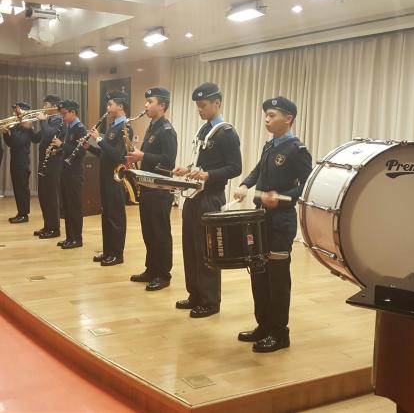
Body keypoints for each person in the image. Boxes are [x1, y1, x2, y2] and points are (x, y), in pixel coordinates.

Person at [234, 96, 312, 353]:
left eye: (272, 115)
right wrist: (246, 184)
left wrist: (282, 198)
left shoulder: (297, 150)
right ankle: (264, 325)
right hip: (261, 218)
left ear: (288, 118)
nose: (266, 120)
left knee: (278, 278)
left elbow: (308, 183)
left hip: (281, 221)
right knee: (259, 272)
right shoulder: (270, 146)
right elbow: (258, 170)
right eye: (266, 115)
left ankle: (280, 332)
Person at [173, 82, 242, 318]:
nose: (200, 110)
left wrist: (208, 175)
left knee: (207, 250)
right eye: (198, 106)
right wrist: (188, 170)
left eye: (203, 106)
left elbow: (235, 167)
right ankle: (195, 294)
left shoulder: (227, 133)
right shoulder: (204, 131)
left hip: (211, 198)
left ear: (217, 103)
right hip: (194, 195)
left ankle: (210, 300)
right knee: (190, 247)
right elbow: (203, 163)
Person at [127, 87, 178, 291]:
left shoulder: (167, 130)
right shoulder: (152, 126)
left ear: (162, 106)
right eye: (146, 101)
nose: (146, 105)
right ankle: (151, 269)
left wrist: (143, 157)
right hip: (148, 187)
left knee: (160, 233)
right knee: (149, 231)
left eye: (150, 101)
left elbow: (168, 161)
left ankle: (163, 274)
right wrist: (136, 158)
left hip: (160, 189)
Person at [87, 91, 132, 266]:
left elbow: (117, 155)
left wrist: (99, 138)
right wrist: (89, 147)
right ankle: (108, 251)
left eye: (110, 105)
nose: (107, 108)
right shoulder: (113, 126)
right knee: (106, 216)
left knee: (116, 217)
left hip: (116, 178)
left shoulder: (125, 127)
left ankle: (117, 254)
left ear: (120, 106)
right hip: (106, 177)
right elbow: (104, 154)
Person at [51, 100, 87, 249]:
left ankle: (76, 239)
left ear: (73, 113)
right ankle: (69, 237)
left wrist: (61, 145)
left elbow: (80, 152)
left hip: (74, 174)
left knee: (74, 207)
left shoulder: (80, 129)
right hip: (66, 172)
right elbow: (69, 149)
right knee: (66, 206)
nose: (62, 116)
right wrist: (57, 150)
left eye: (64, 113)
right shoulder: (69, 127)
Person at [32, 94, 64, 239]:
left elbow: (49, 135)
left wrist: (43, 122)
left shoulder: (58, 119)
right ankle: (48, 225)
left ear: (53, 106)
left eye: (45, 105)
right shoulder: (49, 120)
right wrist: (25, 127)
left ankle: (54, 228)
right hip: (44, 162)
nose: (43, 107)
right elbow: (37, 138)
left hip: (53, 163)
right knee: (43, 195)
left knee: (51, 196)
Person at [2, 102, 33, 223]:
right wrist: (5, 134)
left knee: (22, 189)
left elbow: (19, 141)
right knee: (17, 188)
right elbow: (11, 144)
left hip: (22, 162)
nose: (14, 113)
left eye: (16, 111)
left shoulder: (26, 126)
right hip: (15, 160)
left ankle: (24, 215)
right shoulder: (17, 126)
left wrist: (12, 128)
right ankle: (21, 212)